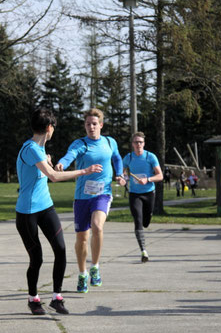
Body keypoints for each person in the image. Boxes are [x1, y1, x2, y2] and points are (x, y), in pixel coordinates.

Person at [16, 107, 102, 315]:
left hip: (45, 207)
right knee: (36, 258)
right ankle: (33, 299)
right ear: (48, 128)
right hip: (27, 212)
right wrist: (84, 171)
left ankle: (56, 297)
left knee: (61, 249)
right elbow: (54, 177)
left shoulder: (38, 151)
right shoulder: (30, 149)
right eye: (53, 127)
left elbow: (45, 174)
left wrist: (47, 162)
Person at [55, 108, 125, 294]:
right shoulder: (80, 144)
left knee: (97, 226)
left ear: (101, 125)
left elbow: (117, 158)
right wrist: (62, 163)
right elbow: (69, 156)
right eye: (88, 124)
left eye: (94, 124)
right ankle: (82, 273)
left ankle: (95, 266)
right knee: (82, 238)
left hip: (103, 194)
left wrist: (119, 174)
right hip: (82, 197)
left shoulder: (110, 142)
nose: (91, 127)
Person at [123, 132, 163, 262]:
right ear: (132, 144)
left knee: (146, 222)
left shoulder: (150, 157)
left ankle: (149, 216)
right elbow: (121, 174)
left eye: (140, 142)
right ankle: (143, 251)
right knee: (138, 220)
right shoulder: (128, 158)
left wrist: (148, 179)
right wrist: (122, 179)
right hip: (135, 194)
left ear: (144, 144)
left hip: (149, 193)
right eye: (136, 142)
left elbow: (160, 176)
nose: (138, 144)